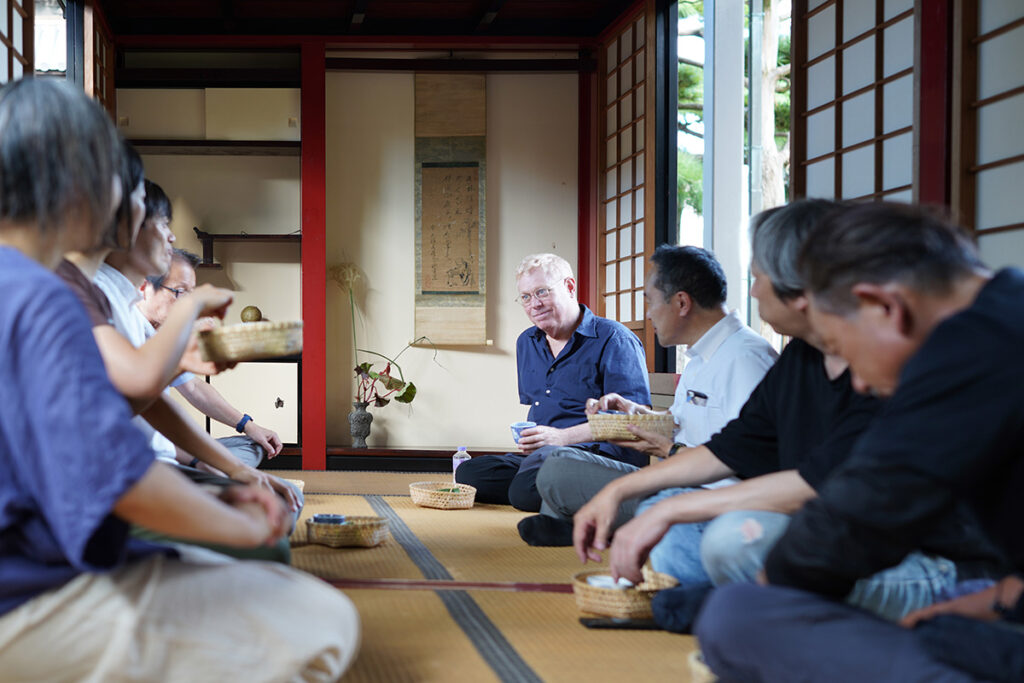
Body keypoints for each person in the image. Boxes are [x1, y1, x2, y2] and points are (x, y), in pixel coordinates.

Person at [0, 77, 358, 682]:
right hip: (22, 594)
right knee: (320, 619)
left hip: (35, 551)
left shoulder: (30, 282)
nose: (128, 202)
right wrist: (239, 522)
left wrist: (231, 471)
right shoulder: (43, 294)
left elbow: (132, 404)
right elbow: (114, 472)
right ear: (78, 180)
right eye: (118, 178)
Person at [573, 200, 989, 633]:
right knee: (688, 536)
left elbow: (829, 484)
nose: (751, 292)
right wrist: (626, 489)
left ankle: (746, 605)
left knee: (728, 547)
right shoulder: (804, 357)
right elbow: (737, 445)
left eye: (757, 277)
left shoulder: (944, 360)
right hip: (848, 533)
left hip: (924, 562)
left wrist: (673, 508)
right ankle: (750, 605)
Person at [696, 202, 1023, 682]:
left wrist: (771, 597)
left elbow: (860, 514)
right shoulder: (1005, 307)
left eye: (841, 344)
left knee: (736, 618)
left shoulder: (969, 350)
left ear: (883, 307)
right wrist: (996, 601)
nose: (861, 385)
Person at [517, 245, 778, 546]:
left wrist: (670, 451)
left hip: (711, 498)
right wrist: (636, 412)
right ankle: (590, 525)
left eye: (651, 302)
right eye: (526, 297)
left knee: (557, 468)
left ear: (681, 303)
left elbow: (755, 458)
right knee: (558, 465)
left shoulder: (745, 358)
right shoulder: (700, 359)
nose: (648, 313)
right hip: (678, 479)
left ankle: (597, 527)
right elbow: (677, 423)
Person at [91, 179, 300, 514]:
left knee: (256, 460)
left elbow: (156, 404)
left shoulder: (123, 301)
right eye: (161, 224)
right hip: (137, 474)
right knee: (279, 504)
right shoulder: (97, 298)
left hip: (161, 460)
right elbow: (130, 403)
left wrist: (239, 445)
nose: (171, 236)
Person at [455, 252, 651, 510]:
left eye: (542, 292)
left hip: (603, 457)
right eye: (525, 297)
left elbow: (635, 423)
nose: (533, 304)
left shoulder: (615, 339)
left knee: (525, 490)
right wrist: (534, 438)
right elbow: (541, 406)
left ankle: (569, 489)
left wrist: (561, 438)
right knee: (470, 473)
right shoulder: (527, 342)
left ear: (569, 287)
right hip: (546, 456)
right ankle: (552, 488)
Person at [137, 249, 285, 469]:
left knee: (252, 445)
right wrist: (199, 460)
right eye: (178, 292)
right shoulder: (124, 329)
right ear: (144, 288)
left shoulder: (164, 333)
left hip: (169, 450)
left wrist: (249, 425)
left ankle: (211, 477)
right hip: (145, 457)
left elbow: (195, 388)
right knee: (284, 494)